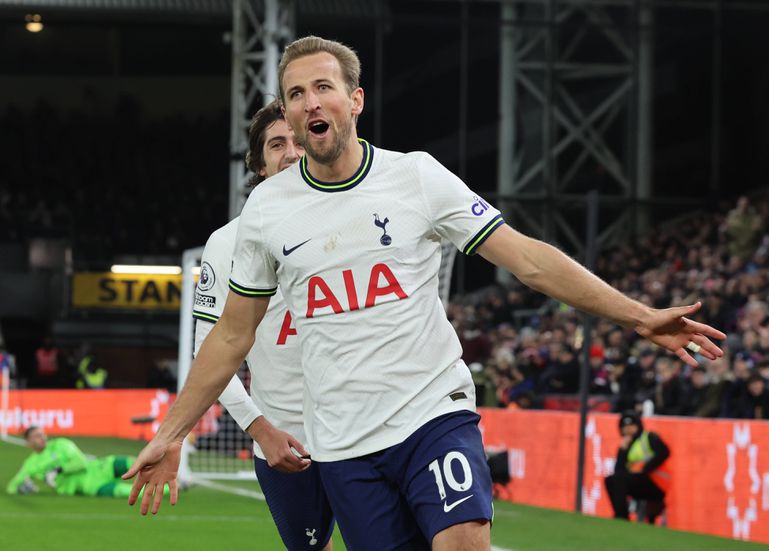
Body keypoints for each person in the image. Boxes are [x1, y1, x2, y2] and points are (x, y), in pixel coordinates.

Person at [124, 36, 725, 551]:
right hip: (344, 442)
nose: (310, 102)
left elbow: (528, 260)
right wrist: (170, 436)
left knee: (464, 538)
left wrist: (639, 315)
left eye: (322, 87)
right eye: (296, 94)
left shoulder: (415, 177)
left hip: (430, 413)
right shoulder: (265, 213)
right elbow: (231, 337)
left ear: (354, 100)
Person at [192, 99, 335, 551]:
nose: (291, 152)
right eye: (277, 144)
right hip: (285, 444)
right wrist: (260, 429)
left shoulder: (357, 225)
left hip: (363, 433)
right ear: (258, 162)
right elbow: (208, 351)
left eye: (298, 139)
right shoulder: (228, 242)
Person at [7, 426, 138, 498]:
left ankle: (158, 472)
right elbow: (12, 486)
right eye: (36, 436)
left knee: (135, 462)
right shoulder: (31, 464)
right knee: (129, 492)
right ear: (29, 443)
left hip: (99, 467)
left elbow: (81, 463)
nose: (42, 437)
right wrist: (22, 487)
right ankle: (157, 492)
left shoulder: (61, 444)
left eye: (42, 434)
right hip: (89, 485)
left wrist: (57, 470)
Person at [604, 411, 670, 524]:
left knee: (621, 478)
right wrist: (622, 451)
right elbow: (618, 471)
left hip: (656, 483)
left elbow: (664, 452)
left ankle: (622, 517)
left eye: (631, 426)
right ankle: (621, 515)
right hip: (637, 483)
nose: (628, 429)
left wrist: (644, 469)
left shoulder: (648, 437)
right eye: (625, 427)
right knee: (610, 480)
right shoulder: (626, 445)